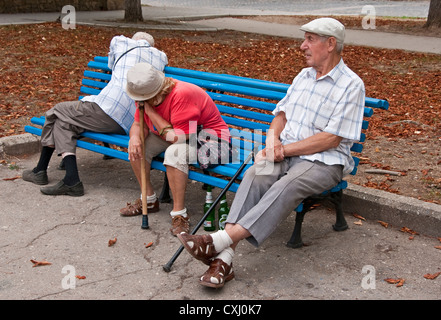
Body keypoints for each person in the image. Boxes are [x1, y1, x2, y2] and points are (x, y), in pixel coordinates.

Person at [177, 17, 366, 289]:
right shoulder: (304, 76)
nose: (302, 46)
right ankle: (224, 260)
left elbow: (331, 138)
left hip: (324, 162)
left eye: (310, 39)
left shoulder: (351, 85)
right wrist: (270, 141)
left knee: (288, 184)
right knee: (256, 174)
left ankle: (217, 241)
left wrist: (283, 148)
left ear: (331, 44)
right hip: (285, 153)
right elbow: (281, 115)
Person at [22, 32, 168, 197]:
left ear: (134, 40)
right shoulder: (160, 58)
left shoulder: (122, 43)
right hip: (129, 122)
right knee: (64, 123)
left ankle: (40, 170)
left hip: (108, 110)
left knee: (57, 110)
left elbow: (112, 60)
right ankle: (71, 179)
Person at [122, 62, 232, 236]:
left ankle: (180, 214)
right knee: (137, 147)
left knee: (174, 154)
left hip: (204, 138)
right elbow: (138, 124)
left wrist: (150, 112)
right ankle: (149, 199)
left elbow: (177, 137)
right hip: (171, 133)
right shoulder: (144, 94)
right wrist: (135, 137)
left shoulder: (182, 95)